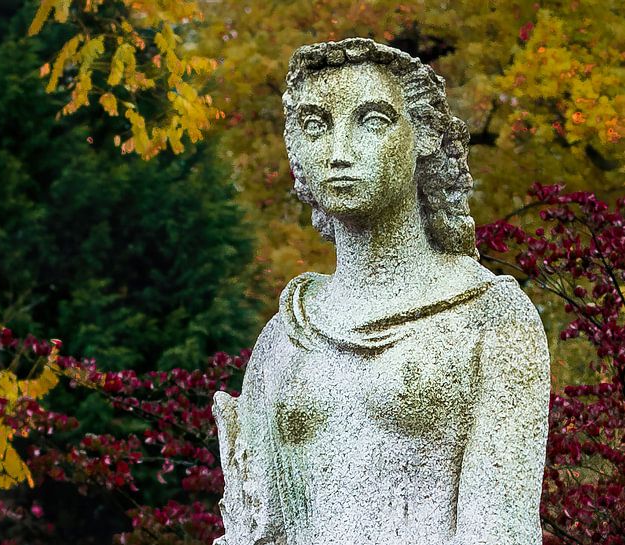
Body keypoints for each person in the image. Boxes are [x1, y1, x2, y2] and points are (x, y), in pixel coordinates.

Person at [213, 38, 550, 545]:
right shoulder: (285, 336)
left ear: (424, 138)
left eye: (371, 121)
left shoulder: (491, 321)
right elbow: (257, 528)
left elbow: (499, 529)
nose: (339, 152)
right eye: (315, 125)